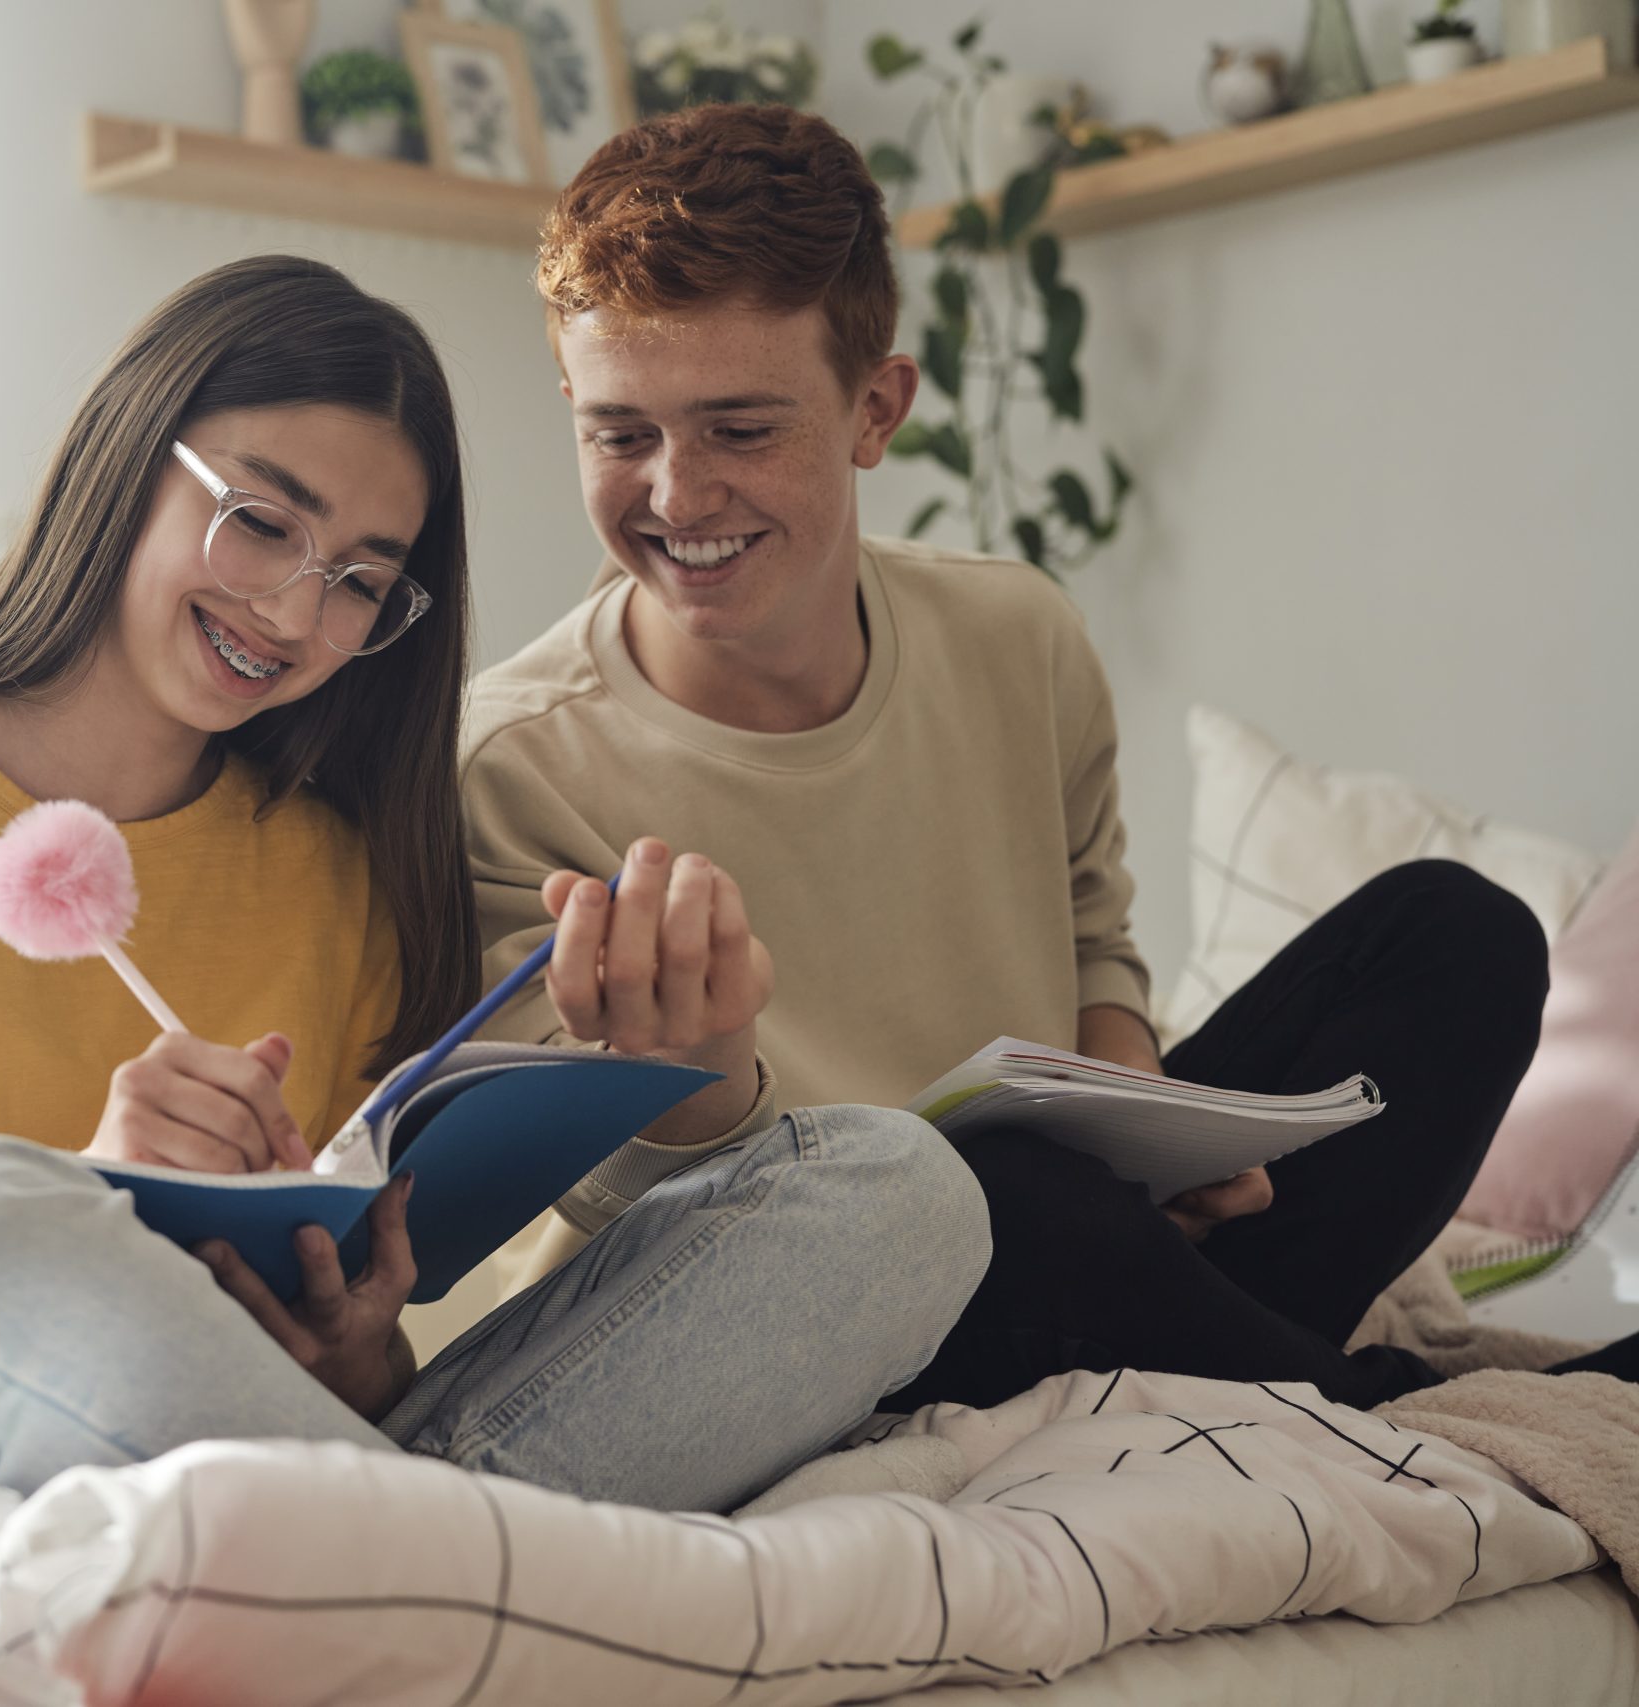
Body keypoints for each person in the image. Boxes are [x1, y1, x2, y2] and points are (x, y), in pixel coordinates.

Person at [0, 254, 988, 1541]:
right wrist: (85, 1199)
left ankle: (384, 1578)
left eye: (358, 584)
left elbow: (359, 1370)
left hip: (237, 1491)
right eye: (261, 522)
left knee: (898, 1186)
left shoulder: (338, 873)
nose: (288, 611)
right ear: (131, 459)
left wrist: (351, 1338)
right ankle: (444, 1574)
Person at [465, 102, 1633, 1413]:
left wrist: (1152, 1133)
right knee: (986, 1197)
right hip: (781, 1320)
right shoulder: (509, 767)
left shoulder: (1017, 633)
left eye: (741, 429)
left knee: (1457, 934)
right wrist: (709, 1078)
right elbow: (621, 1217)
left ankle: (1219, 1358)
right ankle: (1389, 1412)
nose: (676, 496)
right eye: (621, 433)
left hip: (1069, 1233)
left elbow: (1091, 941)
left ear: (876, 407)